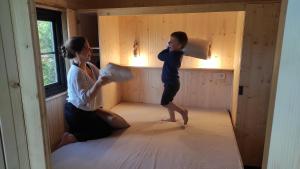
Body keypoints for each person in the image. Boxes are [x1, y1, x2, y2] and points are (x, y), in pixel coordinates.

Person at [58, 36, 114, 148]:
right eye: (86, 48)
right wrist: (98, 83)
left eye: (89, 47)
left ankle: (75, 131)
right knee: (105, 131)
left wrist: (113, 73)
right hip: (76, 112)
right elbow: (84, 99)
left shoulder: (90, 66)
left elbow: (103, 76)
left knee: (109, 125)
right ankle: (71, 137)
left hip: (87, 110)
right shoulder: (75, 73)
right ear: (77, 53)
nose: (90, 50)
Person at [158, 31, 189, 125]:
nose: (169, 43)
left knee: (164, 102)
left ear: (179, 45)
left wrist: (170, 52)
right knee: (169, 102)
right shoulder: (171, 52)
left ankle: (183, 112)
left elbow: (175, 63)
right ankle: (172, 118)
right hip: (169, 83)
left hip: (172, 83)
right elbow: (159, 56)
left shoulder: (177, 55)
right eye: (169, 40)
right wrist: (168, 49)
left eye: (172, 41)